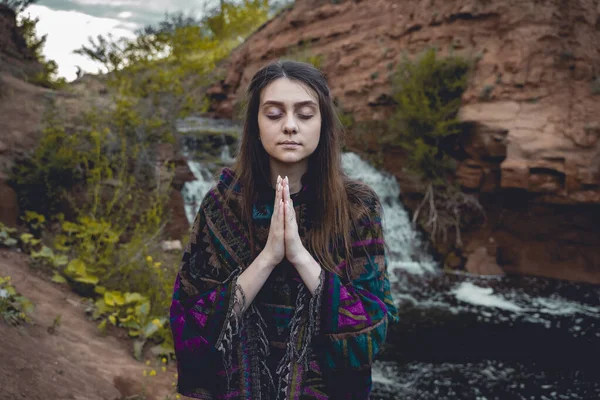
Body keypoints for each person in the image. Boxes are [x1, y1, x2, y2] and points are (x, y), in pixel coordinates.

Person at [169, 59, 398, 399]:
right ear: (255, 124)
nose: (290, 126)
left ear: (323, 124)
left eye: (305, 114)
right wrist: (267, 258)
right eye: (274, 114)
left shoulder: (357, 207)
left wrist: (301, 257)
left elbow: (373, 331)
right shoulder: (222, 204)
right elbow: (189, 326)